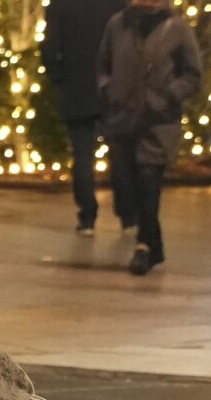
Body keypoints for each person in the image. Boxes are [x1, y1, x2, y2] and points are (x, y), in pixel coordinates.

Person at [97, 0, 202, 275]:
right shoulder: (118, 25)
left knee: (148, 181)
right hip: (122, 118)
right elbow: (103, 66)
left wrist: (169, 95)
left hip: (159, 122)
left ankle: (144, 246)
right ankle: (155, 246)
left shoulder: (176, 28)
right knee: (126, 183)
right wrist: (110, 92)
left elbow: (193, 73)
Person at [42, 0, 126, 236]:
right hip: (113, 87)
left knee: (82, 154)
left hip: (76, 86)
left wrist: (59, 78)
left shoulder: (62, 4)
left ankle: (87, 217)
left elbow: (50, 46)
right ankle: (127, 214)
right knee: (119, 152)